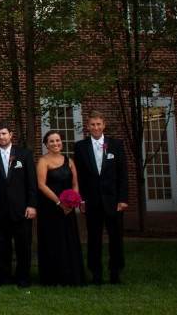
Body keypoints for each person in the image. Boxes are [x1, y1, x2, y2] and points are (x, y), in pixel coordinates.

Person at [74, 111, 128, 284]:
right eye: (92, 124)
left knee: (116, 238)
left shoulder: (116, 145)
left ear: (104, 125)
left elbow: (123, 174)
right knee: (94, 238)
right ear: (88, 126)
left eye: (98, 124)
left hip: (113, 201)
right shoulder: (80, 147)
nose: (96, 127)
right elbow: (79, 176)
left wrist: (123, 199)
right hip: (92, 201)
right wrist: (81, 199)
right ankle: (95, 272)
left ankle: (115, 271)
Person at [0, 121, 38, 288]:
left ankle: (23, 277)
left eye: (4, 133)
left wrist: (32, 205)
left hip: (22, 209)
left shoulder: (25, 155)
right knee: (1, 245)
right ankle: (3, 276)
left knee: (23, 246)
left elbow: (32, 182)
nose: (1, 137)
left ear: (11, 134)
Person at [36, 130, 84, 286]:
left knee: (68, 240)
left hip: (68, 209)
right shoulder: (43, 162)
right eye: (51, 141)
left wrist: (73, 201)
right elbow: (41, 185)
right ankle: (53, 277)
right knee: (53, 241)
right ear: (46, 145)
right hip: (50, 208)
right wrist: (59, 203)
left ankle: (71, 276)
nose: (55, 144)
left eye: (58, 140)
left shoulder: (69, 161)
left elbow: (75, 184)